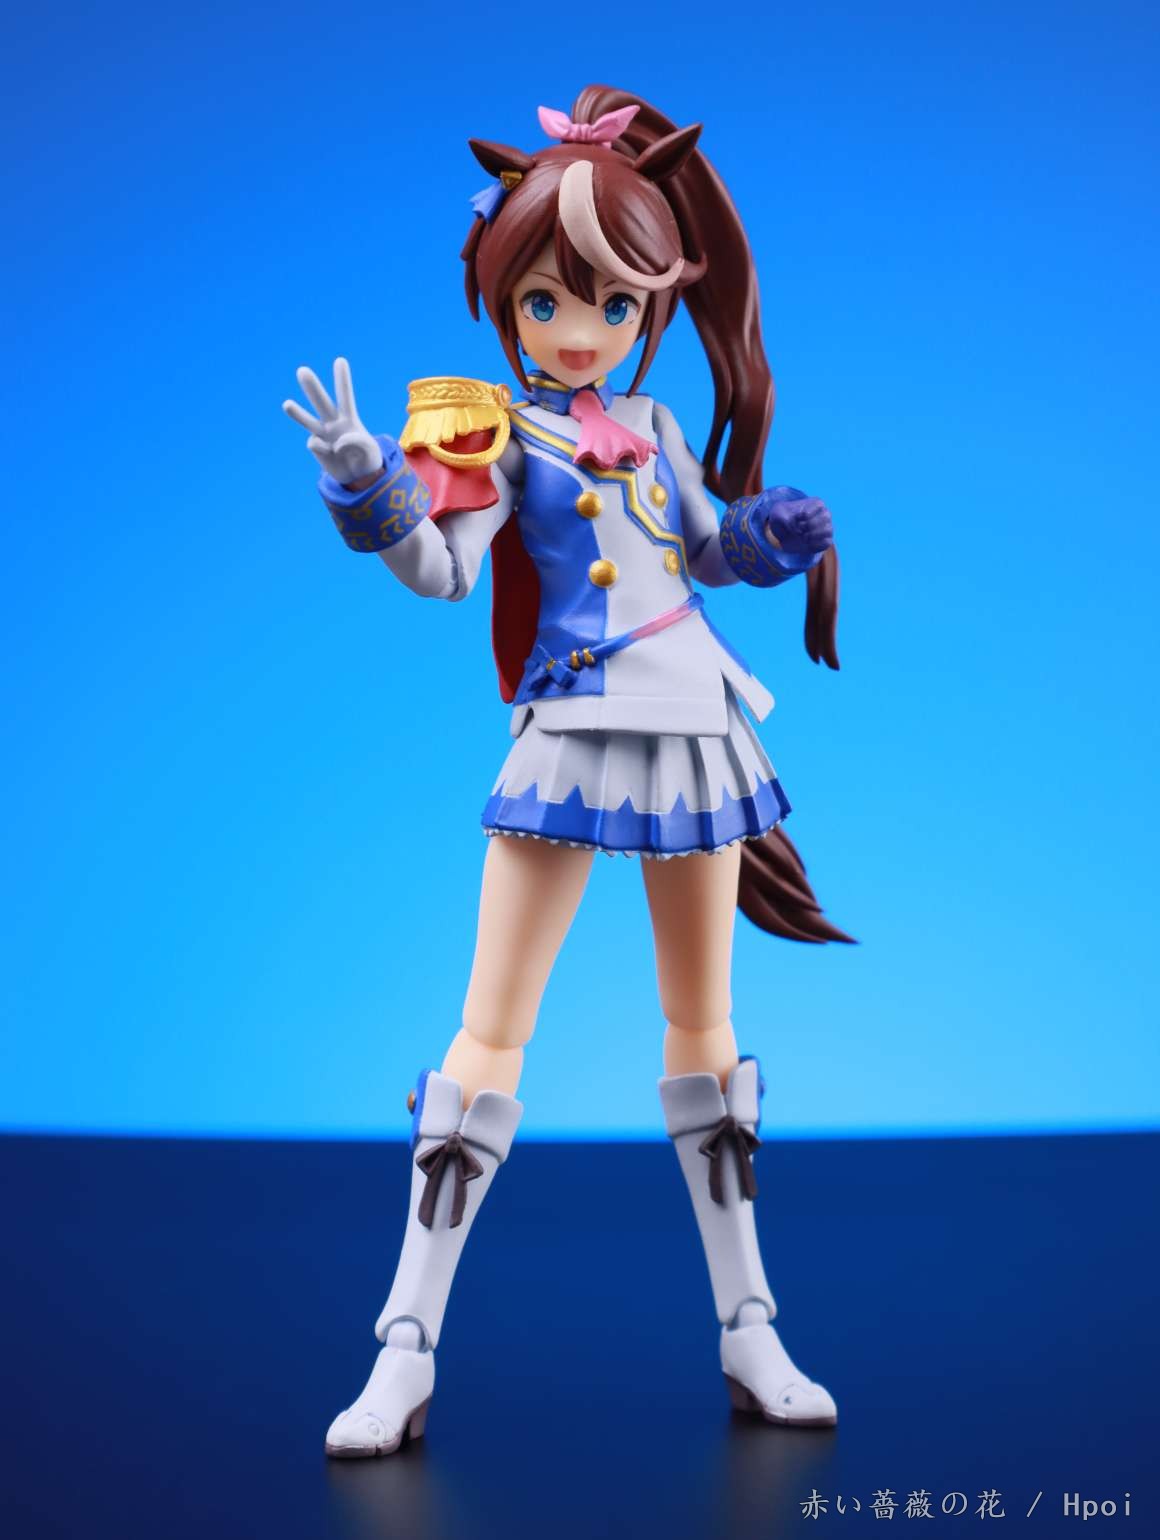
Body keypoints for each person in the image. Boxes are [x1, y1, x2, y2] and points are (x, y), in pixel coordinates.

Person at [283, 87, 851, 1458]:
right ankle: (404, 1347)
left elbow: (702, 550)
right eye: (544, 301)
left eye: (605, 300)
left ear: (651, 303)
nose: (575, 329)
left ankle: (750, 1326)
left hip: (697, 731)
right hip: (572, 732)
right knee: (486, 1041)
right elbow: (441, 571)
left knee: (706, 1034)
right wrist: (368, 485)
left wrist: (769, 540)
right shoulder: (493, 433)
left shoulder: (657, 428)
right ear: (507, 306)